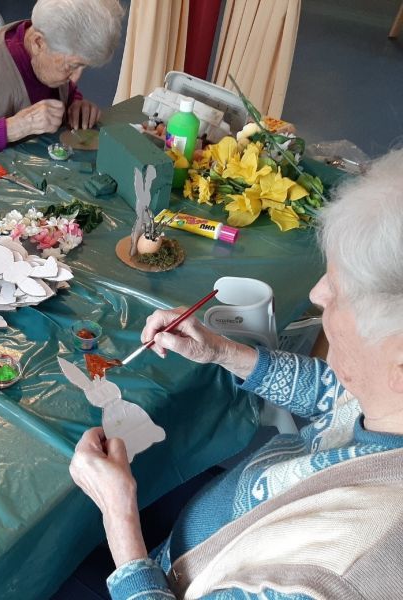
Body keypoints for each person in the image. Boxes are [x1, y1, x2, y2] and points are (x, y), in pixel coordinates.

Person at [70, 149, 403, 598]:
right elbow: (335, 394)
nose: (317, 293)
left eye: (340, 292)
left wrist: (119, 517)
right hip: (203, 538)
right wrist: (221, 351)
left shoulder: (341, 575)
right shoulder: (389, 404)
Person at [0, 0, 124, 166]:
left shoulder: (52, 40)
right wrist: (14, 127)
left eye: (83, 66)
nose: (75, 78)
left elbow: (67, 89)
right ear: (38, 42)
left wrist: (76, 103)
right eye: (72, 66)